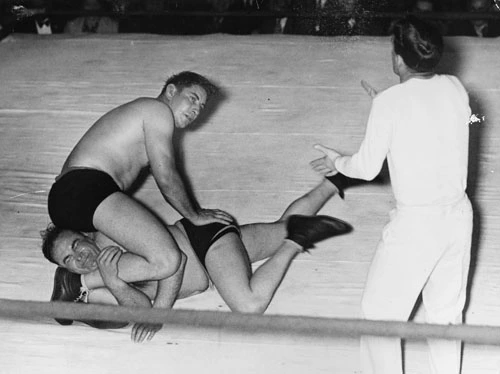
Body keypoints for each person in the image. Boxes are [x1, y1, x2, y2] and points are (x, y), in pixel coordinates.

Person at [310, 16, 473, 374]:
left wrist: (337, 160)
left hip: (417, 224)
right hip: (459, 218)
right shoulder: (456, 87)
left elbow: (366, 168)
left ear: (398, 58)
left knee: (378, 317)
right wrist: (389, 105)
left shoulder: (391, 104)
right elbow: (442, 120)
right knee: (446, 315)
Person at [42, 179, 352, 342]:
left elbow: (172, 262)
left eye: (75, 245)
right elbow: (140, 311)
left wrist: (160, 312)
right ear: (66, 268)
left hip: (204, 243)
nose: (80, 256)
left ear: (85, 234)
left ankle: (296, 241)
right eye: (70, 261)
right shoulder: (106, 278)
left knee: (249, 305)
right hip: (216, 253)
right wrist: (115, 284)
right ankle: (333, 182)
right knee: (280, 225)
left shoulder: (109, 237)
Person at [47, 71, 236, 326]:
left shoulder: (148, 117)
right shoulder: (157, 111)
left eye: (201, 107)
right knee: (167, 260)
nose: (195, 110)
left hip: (78, 198)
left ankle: (84, 296)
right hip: (84, 190)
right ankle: (75, 281)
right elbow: (166, 176)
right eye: (192, 98)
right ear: (171, 91)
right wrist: (195, 215)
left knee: (114, 267)